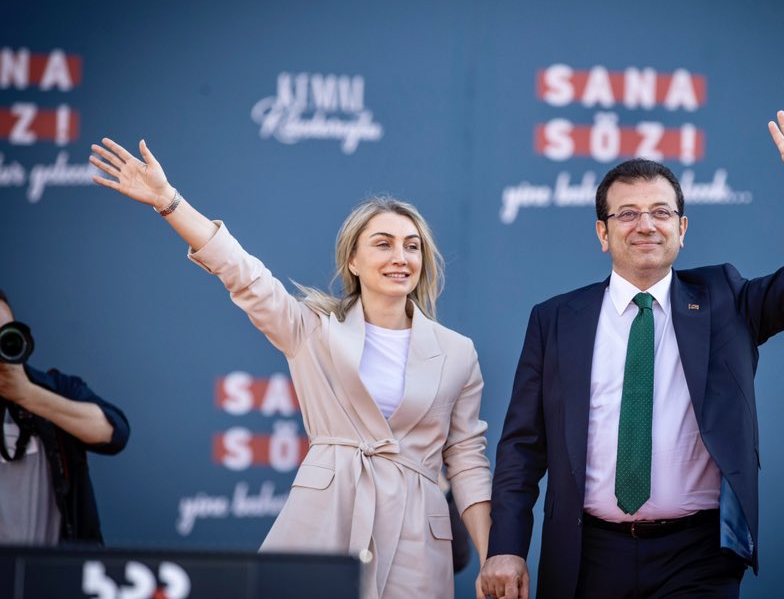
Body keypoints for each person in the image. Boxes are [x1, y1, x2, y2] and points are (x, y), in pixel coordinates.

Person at [480, 111, 784, 598]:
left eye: (660, 212)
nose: (646, 225)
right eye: (627, 214)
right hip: (586, 553)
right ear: (602, 234)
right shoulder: (555, 319)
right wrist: (506, 547)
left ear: (682, 229)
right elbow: (522, 448)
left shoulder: (727, 299)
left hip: (698, 556)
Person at [90, 138, 492, 599]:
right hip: (324, 515)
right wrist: (169, 201)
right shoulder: (312, 330)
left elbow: (467, 460)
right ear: (353, 260)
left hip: (416, 535)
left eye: (412, 246)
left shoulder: (457, 352)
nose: (400, 257)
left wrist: (491, 558)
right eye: (383, 244)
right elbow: (243, 274)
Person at [0, 290, 130, 545]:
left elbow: (114, 432)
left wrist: (27, 394)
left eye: (6, 336)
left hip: (55, 566)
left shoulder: (55, 388)